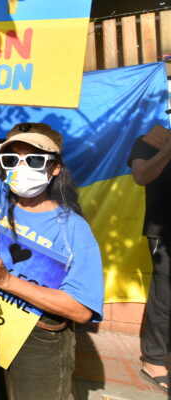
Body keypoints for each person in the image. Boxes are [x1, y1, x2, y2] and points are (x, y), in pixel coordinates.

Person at [0, 104, 104, 399]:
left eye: (35, 160)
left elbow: (80, 310)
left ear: (55, 168)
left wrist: (5, 280)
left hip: (38, 339)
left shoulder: (73, 229)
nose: (22, 168)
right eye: (12, 158)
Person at [129, 126, 171, 390]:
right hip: (163, 230)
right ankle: (154, 360)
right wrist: (168, 149)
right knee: (165, 295)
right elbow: (141, 176)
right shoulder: (149, 141)